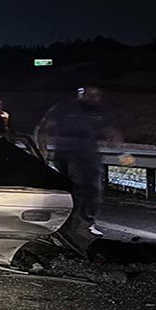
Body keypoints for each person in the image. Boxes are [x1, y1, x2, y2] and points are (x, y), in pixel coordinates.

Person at [36, 86, 119, 238]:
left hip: (89, 155)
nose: (93, 98)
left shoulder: (98, 111)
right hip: (66, 154)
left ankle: (87, 222)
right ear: (80, 94)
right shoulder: (64, 108)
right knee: (75, 188)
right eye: (89, 94)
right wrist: (43, 150)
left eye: (96, 95)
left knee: (95, 190)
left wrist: (121, 150)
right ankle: (67, 225)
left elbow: (109, 130)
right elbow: (43, 129)